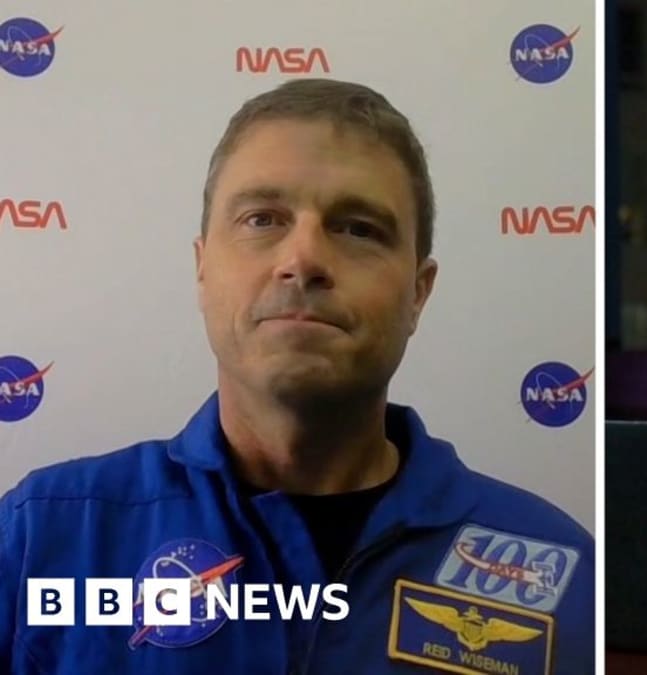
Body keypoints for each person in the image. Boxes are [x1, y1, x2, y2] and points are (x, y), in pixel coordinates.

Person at [0, 79, 594, 673]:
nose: (302, 259)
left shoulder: (563, 571)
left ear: (418, 292)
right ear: (202, 267)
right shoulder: (44, 535)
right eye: (262, 219)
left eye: (358, 228)